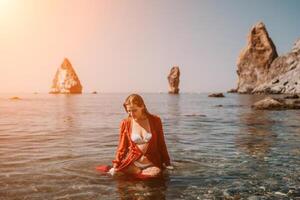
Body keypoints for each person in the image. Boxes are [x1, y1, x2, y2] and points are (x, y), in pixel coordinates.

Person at [109, 94, 172, 178]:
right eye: (128, 111)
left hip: (151, 163)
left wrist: (167, 163)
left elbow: (161, 143)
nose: (131, 114)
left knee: (154, 176)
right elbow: (122, 147)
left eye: (134, 110)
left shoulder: (155, 120)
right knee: (117, 175)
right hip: (133, 163)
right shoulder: (126, 123)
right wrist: (116, 165)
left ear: (142, 106)